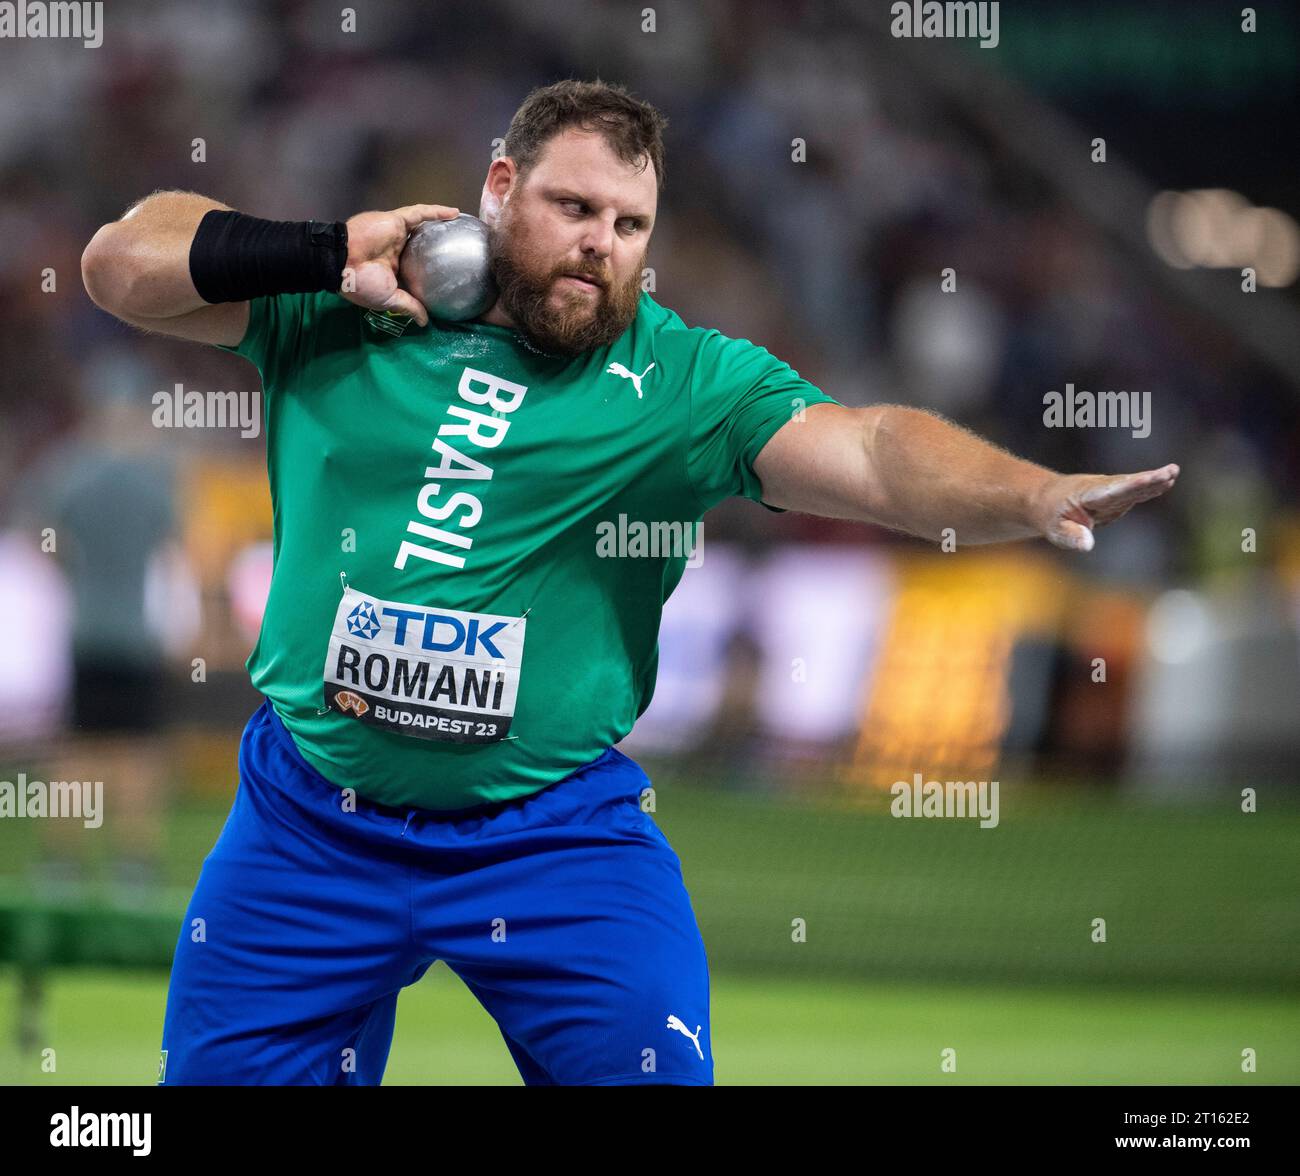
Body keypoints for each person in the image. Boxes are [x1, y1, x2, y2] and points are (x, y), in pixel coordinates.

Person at [80, 78, 1178, 1086]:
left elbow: (874, 450)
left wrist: (1033, 492)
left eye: (629, 224)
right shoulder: (342, 303)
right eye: (573, 207)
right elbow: (118, 266)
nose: (599, 245)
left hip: (548, 837)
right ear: (499, 188)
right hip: (310, 825)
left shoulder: (684, 383)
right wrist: (323, 250)